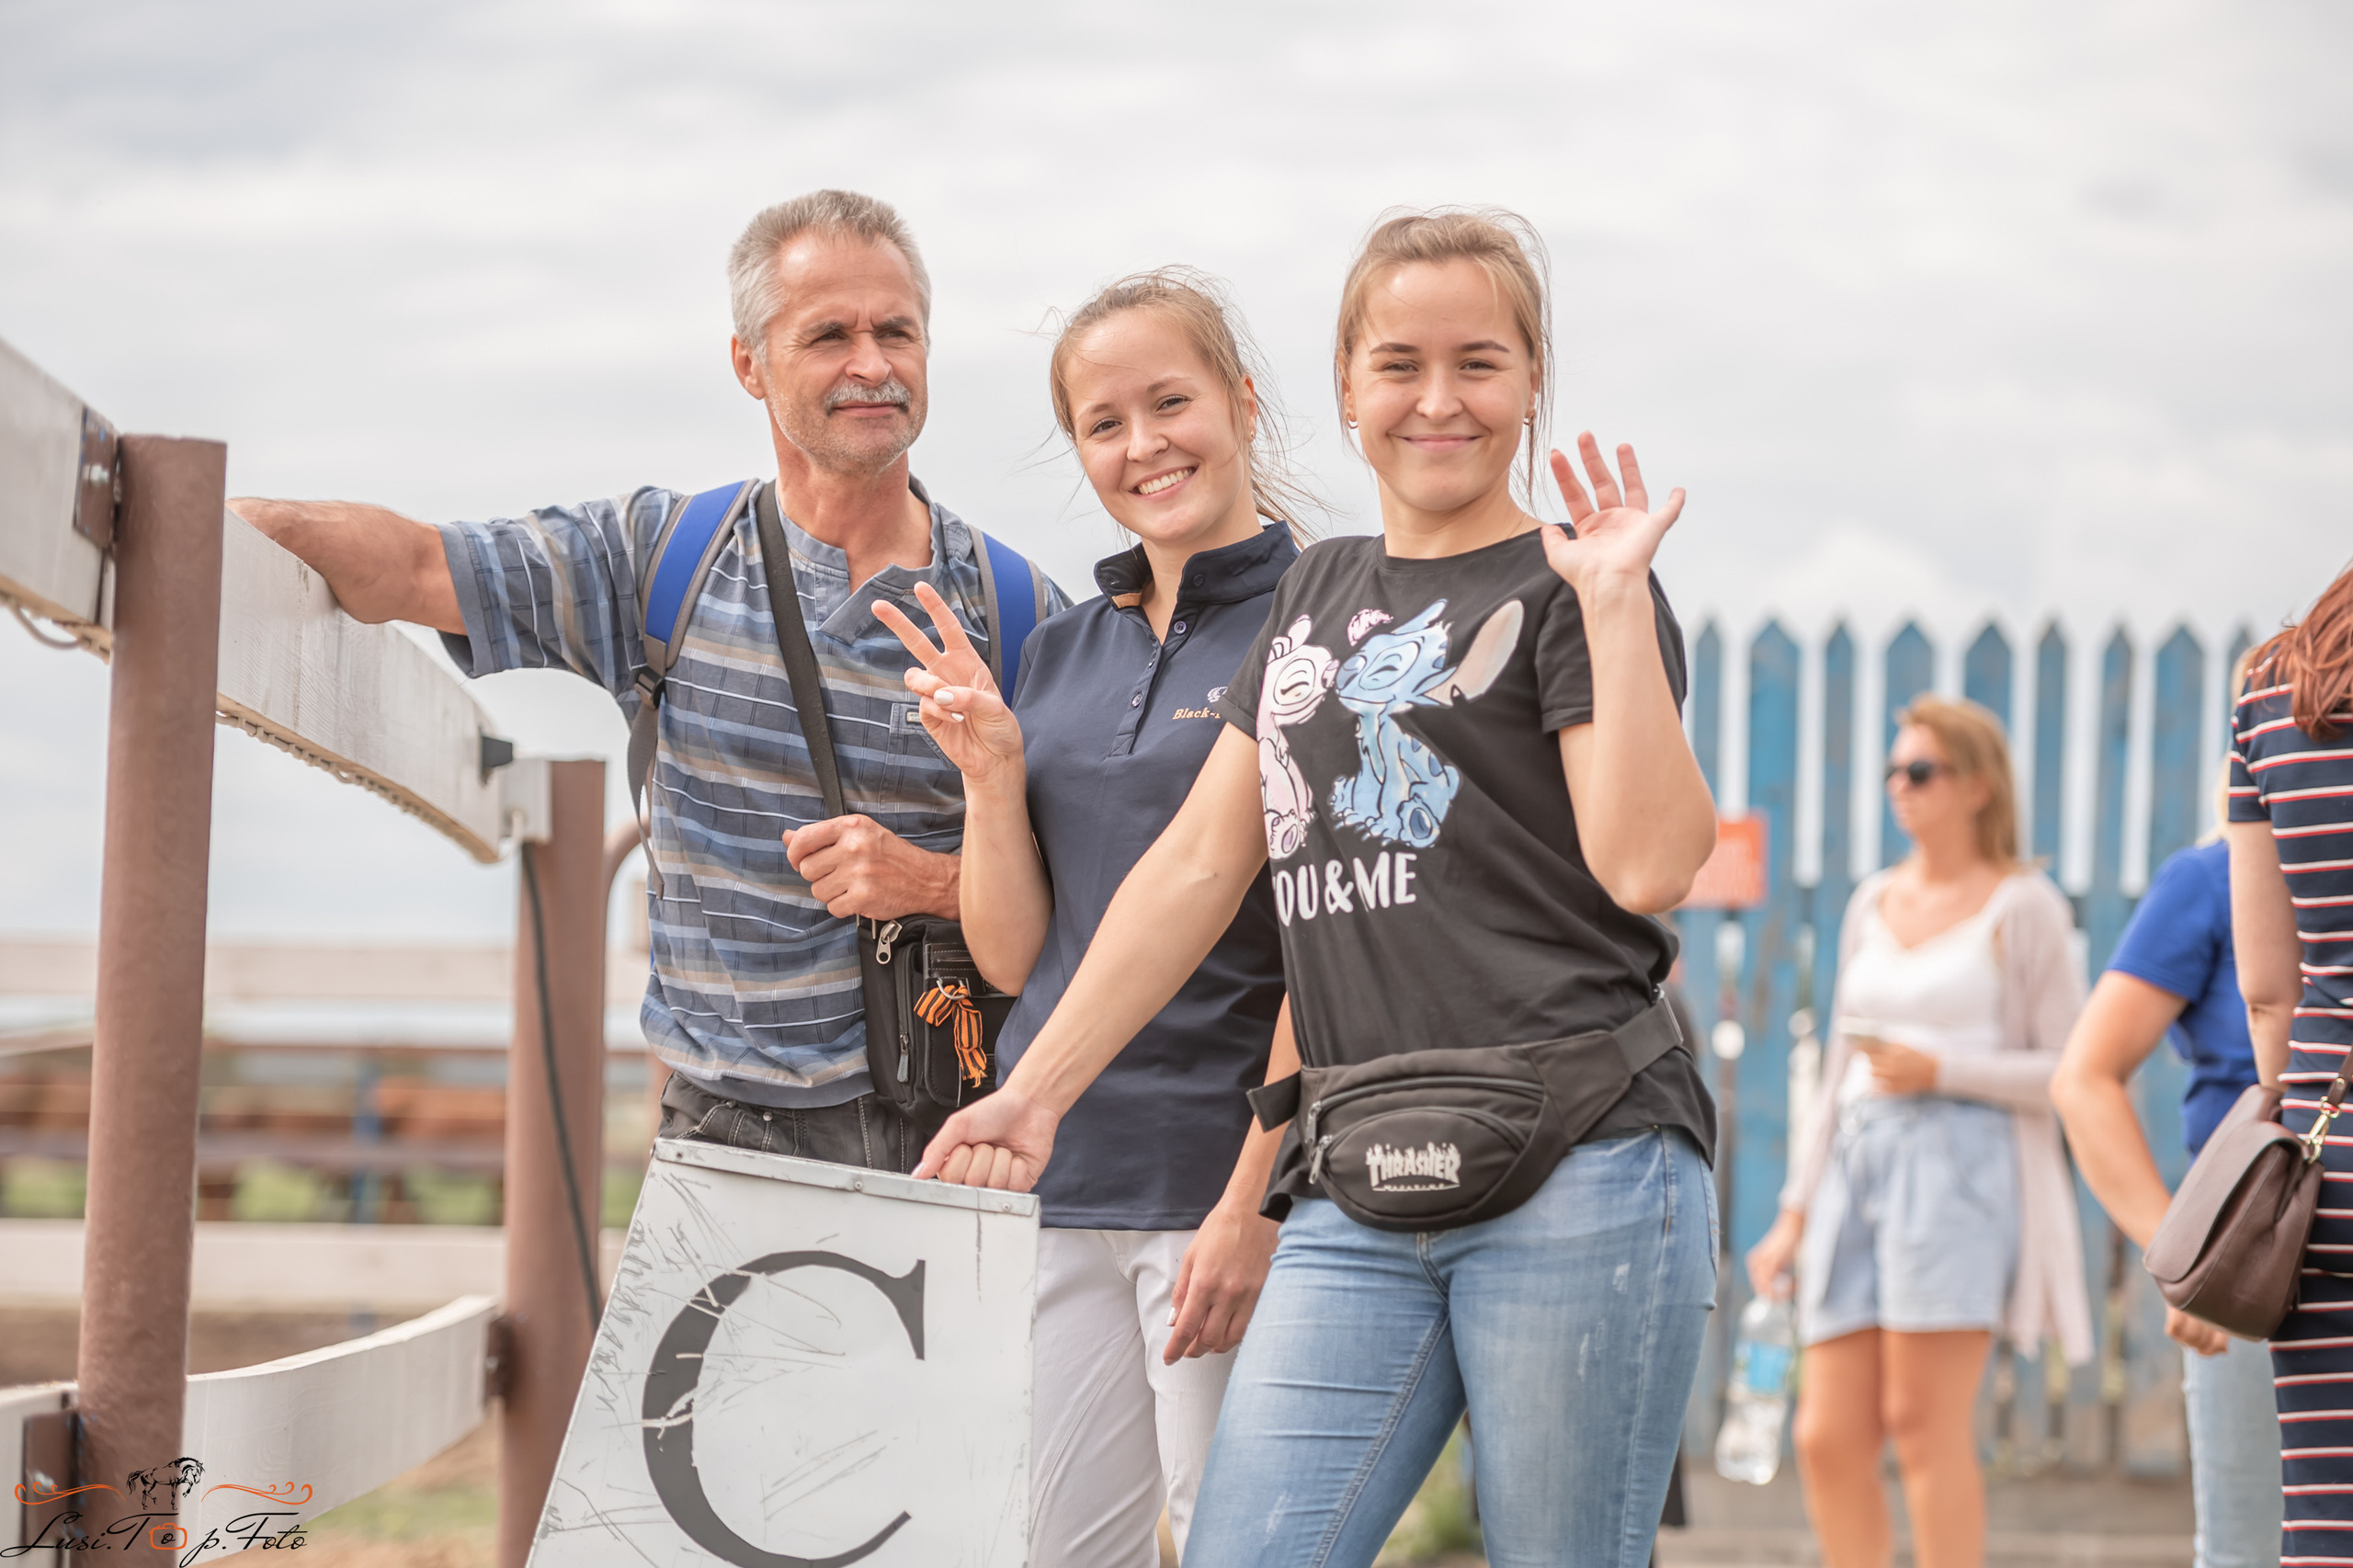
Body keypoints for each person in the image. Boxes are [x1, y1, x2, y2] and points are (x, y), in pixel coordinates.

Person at [914, 207, 1722, 1568]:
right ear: (1346, 386)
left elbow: (1650, 866)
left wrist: (1623, 609)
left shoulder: (1577, 583)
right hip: (1352, 1180)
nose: (1439, 398)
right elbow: (1197, 863)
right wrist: (1036, 1087)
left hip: (1582, 1158)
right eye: (1398, 363)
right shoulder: (1316, 594)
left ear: (1532, 383)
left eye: (1480, 361)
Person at [229, 189, 1065, 1174]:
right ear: (749, 364)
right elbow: (418, 565)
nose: (872, 364)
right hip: (724, 1136)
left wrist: (929, 880)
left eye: (897, 331)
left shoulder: (1018, 611)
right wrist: (208, 525)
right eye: (828, 334)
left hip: (956, 1137)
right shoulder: (662, 556)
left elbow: (1094, 896)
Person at [873, 269, 1305, 1566]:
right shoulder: (1060, 651)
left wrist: (1256, 1199)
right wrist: (994, 773)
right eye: (1104, 423)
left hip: (1215, 1177)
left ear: (1239, 401)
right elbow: (1015, 954)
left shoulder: (1319, 619)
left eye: (1169, 402)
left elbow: (1334, 945)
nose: (1143, 445)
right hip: (1055, 1179)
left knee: (1249, 1548)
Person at [1746, 696, 2090, 1568]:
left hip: (1958, 1171)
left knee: (1922, 1428)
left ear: (1977, 786)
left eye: (1922, 771)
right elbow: (1834, 1072)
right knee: (1824, 1435)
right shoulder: (1872, 900)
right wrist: (1793, 1210)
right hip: (1855, 1165)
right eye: (1895, 771)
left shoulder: (2025, 907)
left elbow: (2073, 1071)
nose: (1901, 787)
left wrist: (1945, 1069)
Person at [2050, 749, 2280, 1568]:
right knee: (2254, 1547)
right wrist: (2184, 1255)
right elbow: (2085, 1078)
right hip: (2261, 1266)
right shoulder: (2210, 881)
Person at [2224, 559, 2353, 1567]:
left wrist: (2304, 1120)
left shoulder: (2273, 686)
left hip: (2328, 1136)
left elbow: (2269, 985)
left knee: (2323, 1512)